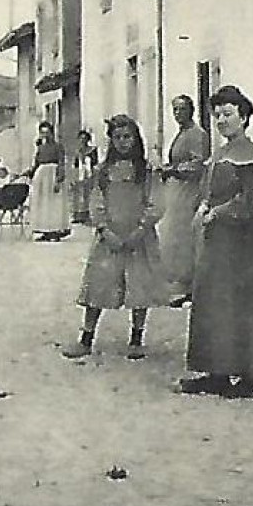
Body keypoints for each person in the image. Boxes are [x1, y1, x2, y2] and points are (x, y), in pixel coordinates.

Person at [180, 85, 253, 398]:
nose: (221, 120)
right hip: (218, 237)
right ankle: (217, 371)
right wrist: (203, 207)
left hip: (245, 240)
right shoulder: (221, 152)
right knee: (214, 300)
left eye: (229, 114)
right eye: (217, 115)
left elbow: (248, 202)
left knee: (246, 303)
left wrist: (215, 212)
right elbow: (210, 189)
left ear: (244, 117)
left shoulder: (251, 153)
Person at [61, 114, 163, 360]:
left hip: (139, 238)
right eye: (117, 137)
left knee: (138, 286)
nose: (123, 142)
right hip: (110, 237)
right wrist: (105, 230)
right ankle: (86, 337)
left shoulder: (147, 171)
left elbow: (156, 202)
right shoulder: (103, 171)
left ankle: (137, 337)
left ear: (136, 138)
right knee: (99, 284)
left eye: (127, 137)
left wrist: (141, 230)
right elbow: (96, 201)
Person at [155, 95, 209, 308]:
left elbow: (198, 164)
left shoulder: (197, 134)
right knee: (174, 237)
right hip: (176, 190)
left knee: (185, 237)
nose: (178, 113)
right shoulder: (181, 134)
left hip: (189, 191)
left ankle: (187, 287)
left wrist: (173, 169)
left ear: (191, 110)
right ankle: (176, 285)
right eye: (175, 109)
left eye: (182, 109)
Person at [26, 121, 70, 242]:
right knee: (42, 203)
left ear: (52, 133)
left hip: (52, 175)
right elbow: (36, 163)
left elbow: (61, 162)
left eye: (47, 132)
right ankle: (45, 230)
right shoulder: (40, 148)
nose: (45, 135)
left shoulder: (58, 146)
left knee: (54, 203)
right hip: (41, 176)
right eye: (42, 132)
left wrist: (59, 179)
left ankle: (55, 230)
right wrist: (30, 173)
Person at [70, 130, 99, 224]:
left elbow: (95, 162)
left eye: (84, 139)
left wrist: (87, 161)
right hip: (79, 174)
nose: (82, 141)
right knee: (77, 195)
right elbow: (75, 165)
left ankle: (86, 215)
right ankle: (77, 215)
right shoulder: (77, 151)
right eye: (81, 139)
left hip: (88, 173)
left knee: (87, 195)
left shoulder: (92, 150)